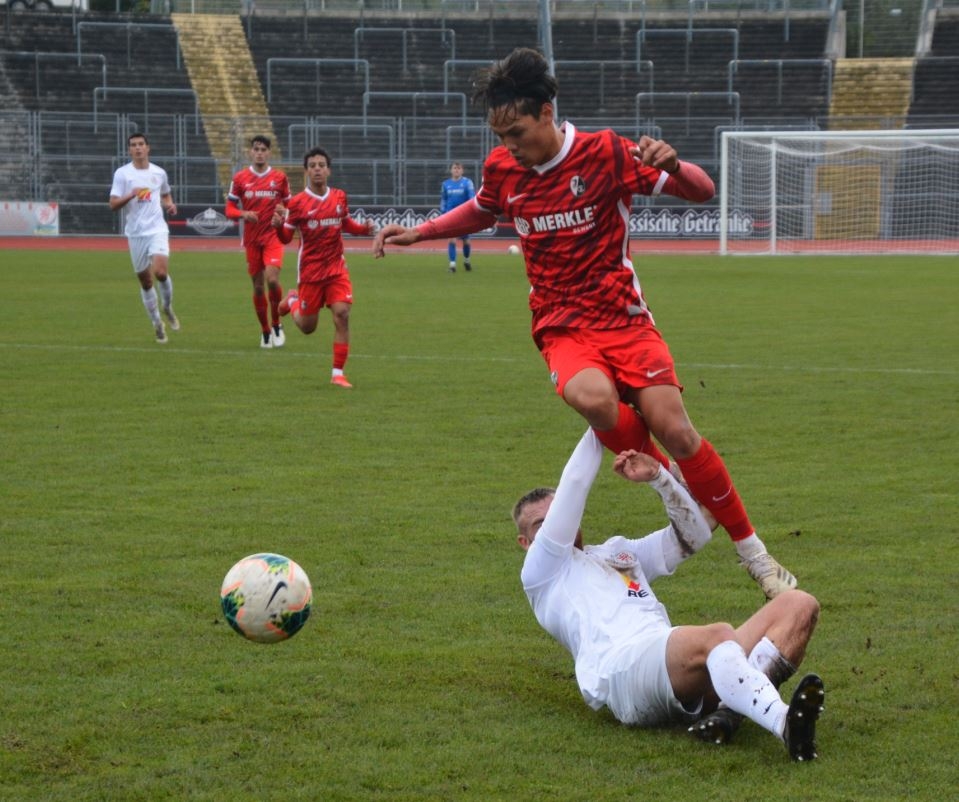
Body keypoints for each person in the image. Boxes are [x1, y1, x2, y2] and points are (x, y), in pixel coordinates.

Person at [374, 47, 795, 599]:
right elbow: (484, 207)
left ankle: (756, 557)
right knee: (594, 399)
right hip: (561, 324)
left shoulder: (606, 153)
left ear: (547, 113)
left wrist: (673, 165)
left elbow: (702, 191)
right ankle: (675, 486)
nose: (509, 146)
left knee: (675, 428)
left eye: (517, 132)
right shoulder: (503, 167)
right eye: (500, 136)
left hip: (624, 319)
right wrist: (423, 231)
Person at [512, 429, 825, 761]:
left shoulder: (615, 552)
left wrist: (660, 478)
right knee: (718, 636)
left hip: (669, 665)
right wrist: (600, 422)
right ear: (525, 542)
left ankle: (731, 711)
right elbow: (575, 483)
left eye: (557, 514)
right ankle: (784, 722)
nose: (555, 524)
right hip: (621, 672)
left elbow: (696, 533)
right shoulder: (540, 572)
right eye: (540, 524)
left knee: (800, 605)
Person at [272, 146, 374, 389]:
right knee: (308, 327)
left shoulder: (339, 196)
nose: (317, 169)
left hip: (336, 268)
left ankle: (338, 373)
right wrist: (277, 226)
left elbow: (345, 223)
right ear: (306, 171)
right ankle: (293, 300)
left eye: (321, 165)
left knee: (342, 314)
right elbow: (286, 238)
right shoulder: (297, 203)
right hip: (310, 272)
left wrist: (363, 229)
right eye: (312, 166)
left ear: (328, 170)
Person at [109, 132, 179, 344]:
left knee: (160, 272)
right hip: (136, 234)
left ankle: (167, 307)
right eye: (133, 145)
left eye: (141, 144)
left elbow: (165, 194)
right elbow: (113, 204)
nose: (138, 148)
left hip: (157, 229)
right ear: (129, 150)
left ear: (148, 148)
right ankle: (157, 322)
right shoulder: (123, 174)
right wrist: (131, 194)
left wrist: (169, 204)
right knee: (146, 282)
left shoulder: (159, 172)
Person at [225, 135, 292, 349]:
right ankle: (264, 331)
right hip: (252, 240)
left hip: (273, 236)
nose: (260, 153)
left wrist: (285, 211)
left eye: (263, 149)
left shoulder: (279, 178)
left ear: (269, 153)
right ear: (250, 152)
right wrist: (243, 214)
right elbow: (229, 209)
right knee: (258, 287)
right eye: (256, 149)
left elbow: (292, 206)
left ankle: (277, 324)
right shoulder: (240, 178)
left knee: (272, 280)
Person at [439, 161, 475, 273]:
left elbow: (472, 198)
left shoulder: (467, 183)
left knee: (466, 241)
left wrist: (471, 212)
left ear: (462, 170)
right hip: (451, 215)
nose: (456, 170)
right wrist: (443, 213)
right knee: (452, 240)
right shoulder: (445, 184)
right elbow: (443, 199)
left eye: (459, 168)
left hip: (464, 216)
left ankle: (467, 260)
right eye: (455, 168)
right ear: (451, 170)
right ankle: (452, 265)